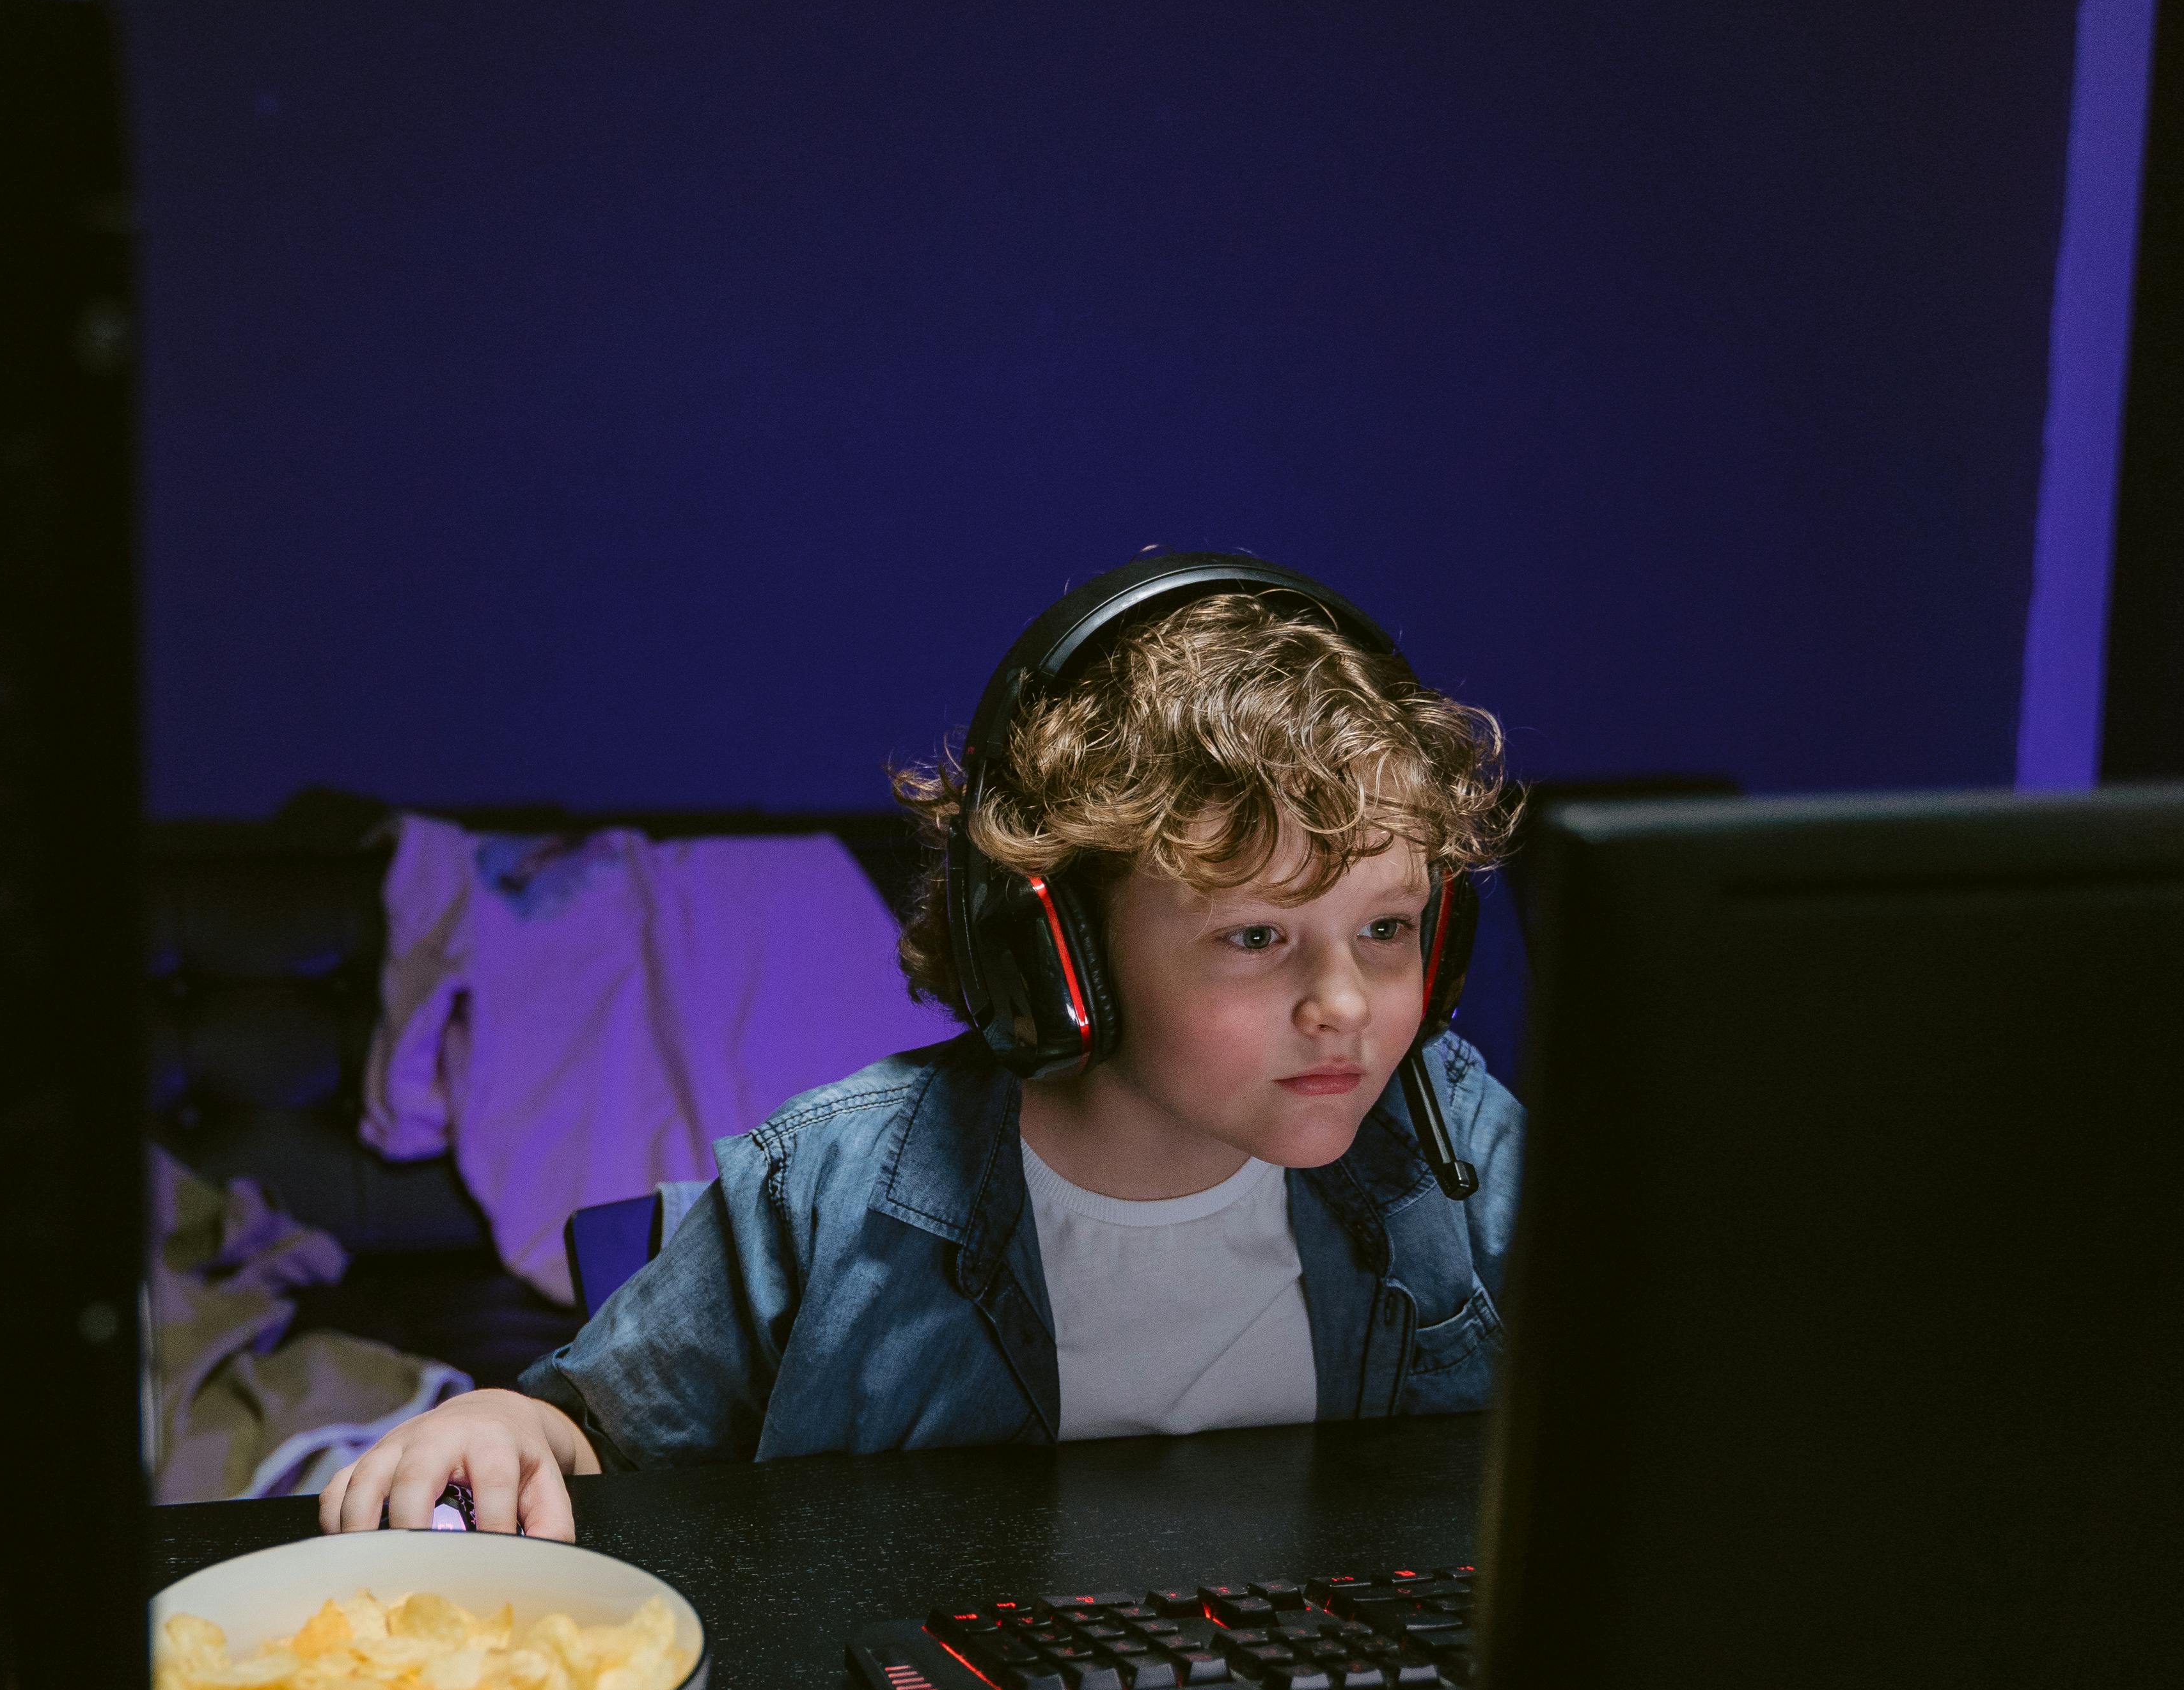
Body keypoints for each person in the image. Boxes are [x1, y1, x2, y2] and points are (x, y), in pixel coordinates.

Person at [317, 555, 1523, 1541]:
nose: (1346, 1006)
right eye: (1256, 936)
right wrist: (497, 1424)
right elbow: (589, 1436)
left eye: (1386, 929)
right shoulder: (832, 1192)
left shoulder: (1448, 1134)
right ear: (1067, 954)